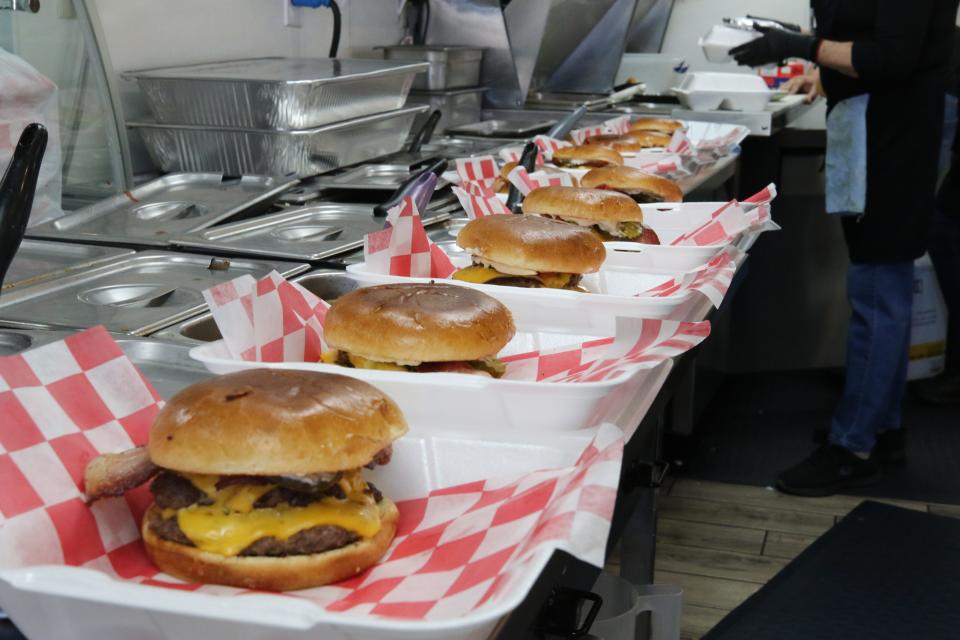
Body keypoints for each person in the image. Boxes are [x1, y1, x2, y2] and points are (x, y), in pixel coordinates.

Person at [730, 0, 960, 497]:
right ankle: (882, 430)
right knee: (880, 284)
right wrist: (823, 73)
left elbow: (892, 58)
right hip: (873, 126)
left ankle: (853, 448)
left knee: (878, 292)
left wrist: (797, 46)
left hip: (897, 134)